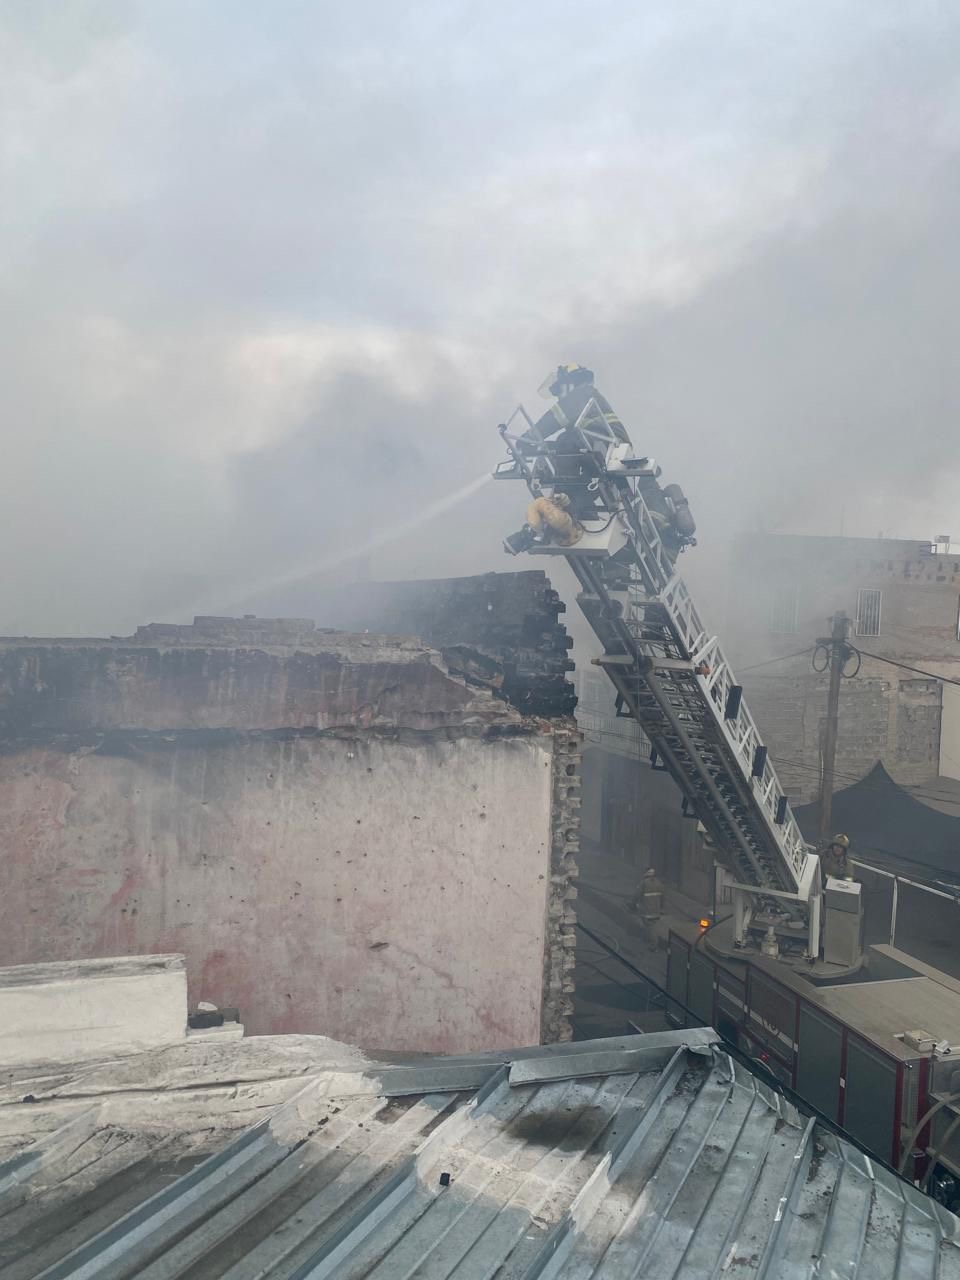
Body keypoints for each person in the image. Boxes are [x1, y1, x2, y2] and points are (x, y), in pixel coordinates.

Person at [519, 365, 630, 453]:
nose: (559, 397)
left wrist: (527, 438)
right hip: (605, 441)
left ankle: (564, 476)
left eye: (559, 390)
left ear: (570, 383)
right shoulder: (587, 395)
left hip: (607, 440)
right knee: (562, 442)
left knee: (566, 440)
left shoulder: (582, 393)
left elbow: (552, 420)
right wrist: (544, 448)